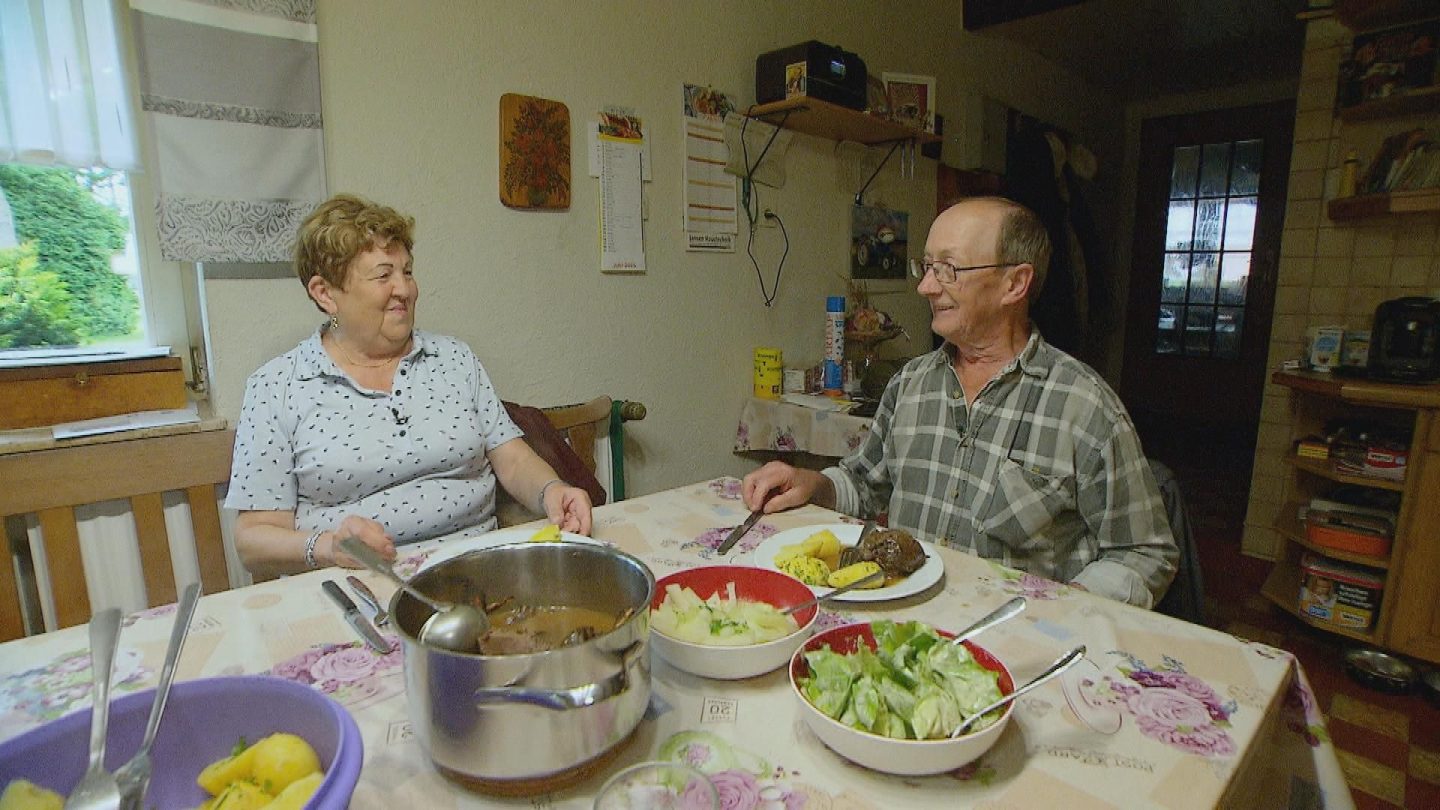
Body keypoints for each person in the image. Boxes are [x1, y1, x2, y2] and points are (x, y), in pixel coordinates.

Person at [742, 197, 1177, 608]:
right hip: (904, 619)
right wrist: (812, 483)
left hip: (1009, 636)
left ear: (1015, 283)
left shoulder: (1084, 407)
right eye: (927, 266)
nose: (926, 287)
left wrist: (1064, 609)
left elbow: (1145, 553)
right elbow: (865, 483)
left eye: (948, 269)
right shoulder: (910, 383)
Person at [226, 193, 592, 578]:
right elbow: (252, 539)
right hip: (355, 586)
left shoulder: (455, 359)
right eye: (384, 275)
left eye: (408, 272)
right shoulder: (277, 386)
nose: (405, 289)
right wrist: (330, 546)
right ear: (325, 293)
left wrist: (552, 490)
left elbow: (513, 459)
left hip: (478, 574)